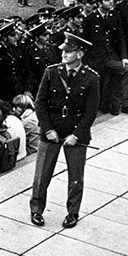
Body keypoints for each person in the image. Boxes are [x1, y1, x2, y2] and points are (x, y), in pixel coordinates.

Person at [30, 33, 100, 229]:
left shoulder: (91, 78)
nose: (64, 55)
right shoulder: (51, 72)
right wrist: (48, 129)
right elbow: (40, 103)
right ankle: (36, 209)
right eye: (63, 51)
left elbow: (91, 111)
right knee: (42, 175)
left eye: (68, 52)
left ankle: (73, 212)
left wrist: (76, 135)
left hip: (75, 132)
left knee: (76, 177)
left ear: (79, 54)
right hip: (52, 129)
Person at [82, 0, 128, 115]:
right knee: (99, 85)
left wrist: (124, 57)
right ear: (100, 3)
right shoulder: (90, 19)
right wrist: (86, 62)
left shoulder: (115, 16)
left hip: (112, 56)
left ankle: (126, 104)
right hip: (96, 58)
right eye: (107, 0)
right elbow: (85, 43)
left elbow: (121, 37)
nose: (111, 2)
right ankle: (101, 107)